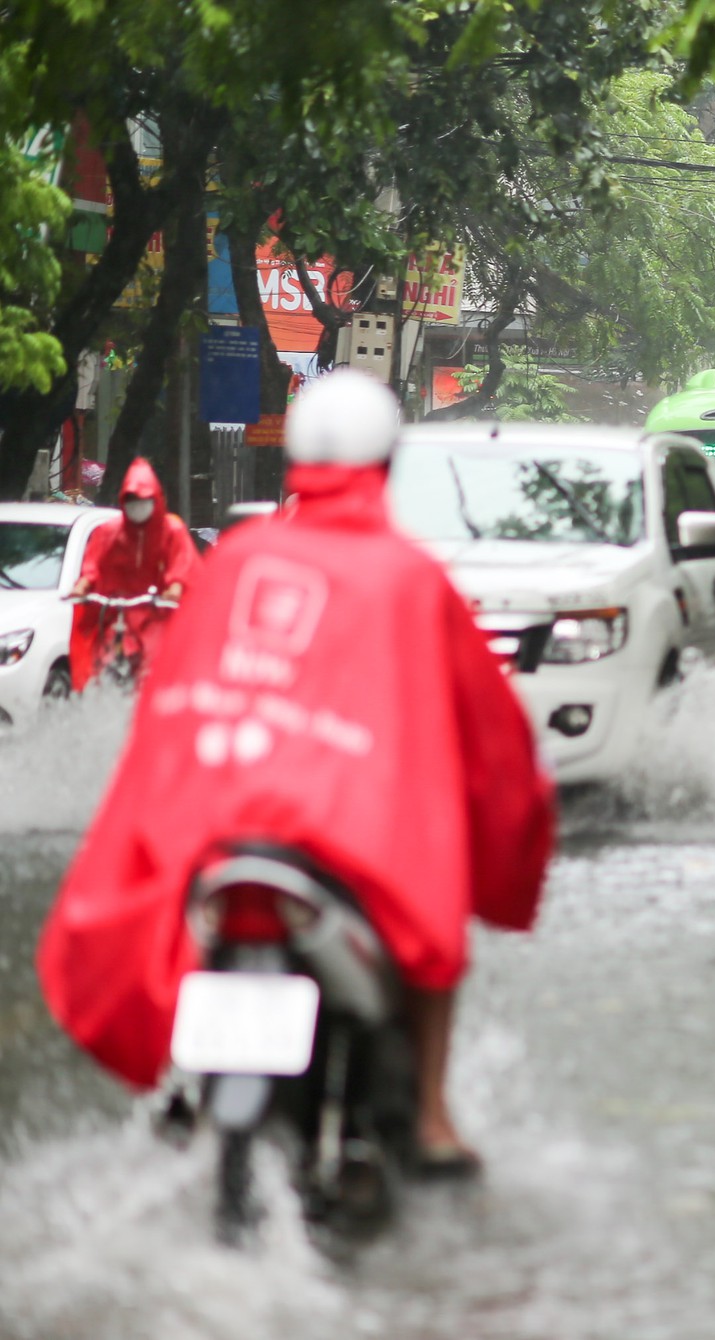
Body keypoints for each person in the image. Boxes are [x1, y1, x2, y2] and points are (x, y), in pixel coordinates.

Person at [37, 370, 554, 1174]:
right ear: (388, 464)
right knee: (435, 915)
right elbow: (495, 748)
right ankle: (427, 1116)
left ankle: (183, 1089)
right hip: (343, 842)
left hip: (218, 829)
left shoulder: (239, 555)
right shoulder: (411, 576)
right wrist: (508, 857)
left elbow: (170, 704)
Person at [68, 457, 199, 690]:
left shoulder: (172, 530)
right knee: (100, 657)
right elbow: (93, 563)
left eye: (143, 500)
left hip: (156, 613)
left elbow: (181, 563)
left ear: (156, 500)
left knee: (162, 664)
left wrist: (175, 586)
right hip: (116, 613)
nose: (137, 505)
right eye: (131, 500)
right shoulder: (110, 531)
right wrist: (84, 584)